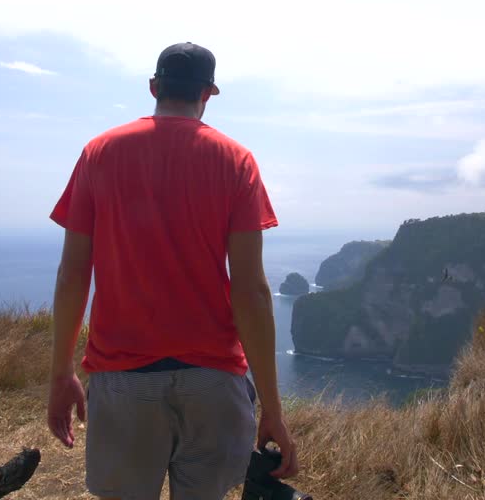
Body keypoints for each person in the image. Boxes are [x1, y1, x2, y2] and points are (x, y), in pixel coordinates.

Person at [47, 42, 299, 500]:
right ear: (208, 93)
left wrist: (62, 372)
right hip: (214, 380)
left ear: (154, 87)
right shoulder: (236, 161)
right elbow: (252, 291)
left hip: (123, 381)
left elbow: (72, 275)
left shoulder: (99, 153)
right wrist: (274, 410)